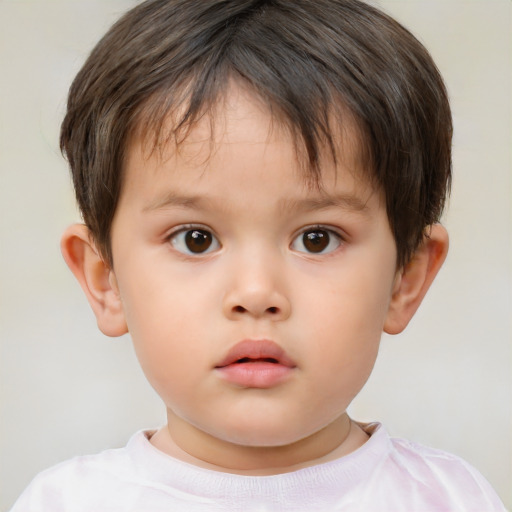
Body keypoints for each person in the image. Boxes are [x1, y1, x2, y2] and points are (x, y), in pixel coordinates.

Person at [10, 0, 507, 510]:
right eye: (195, 239)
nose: (255, 293)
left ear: (406, 277)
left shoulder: (453, 499)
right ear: (104, 280)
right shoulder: (66, 502)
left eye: (317, 238)